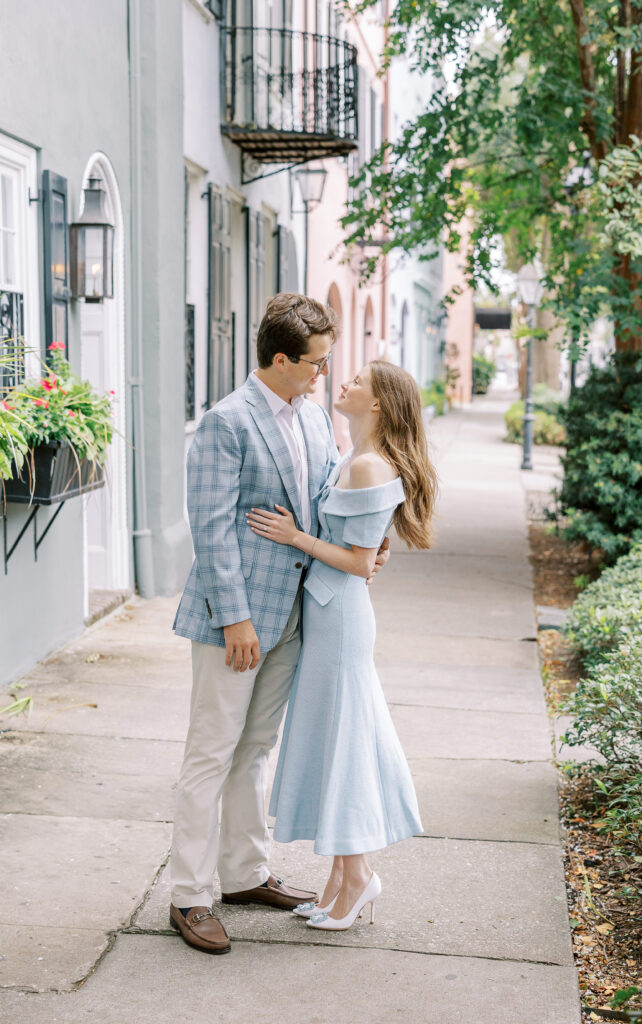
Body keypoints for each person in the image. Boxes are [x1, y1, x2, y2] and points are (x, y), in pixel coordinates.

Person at [169, 294, 388, 955]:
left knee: (254, 750)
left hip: (295, 616)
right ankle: (190, 895)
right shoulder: (225, 423)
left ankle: (244, 872)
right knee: (209, 754)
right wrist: (234, 618)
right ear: (282, 359)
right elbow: (210, 531)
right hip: (232, 622)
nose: (326, 372)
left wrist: (367, 544)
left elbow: (325, 500)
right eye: (317, 363)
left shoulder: (318, 419)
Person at [246, 359, 438, 931]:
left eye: (358, 381)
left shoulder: (370, 466)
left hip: (340, 619)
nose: (344, 382)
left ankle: (356, 879)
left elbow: (357, 562)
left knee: (344, 744)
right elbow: (369, 547)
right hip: (329, 615)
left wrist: (295, 537)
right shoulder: (354, 458)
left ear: (377, 404)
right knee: (337, 742)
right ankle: (338, 882)